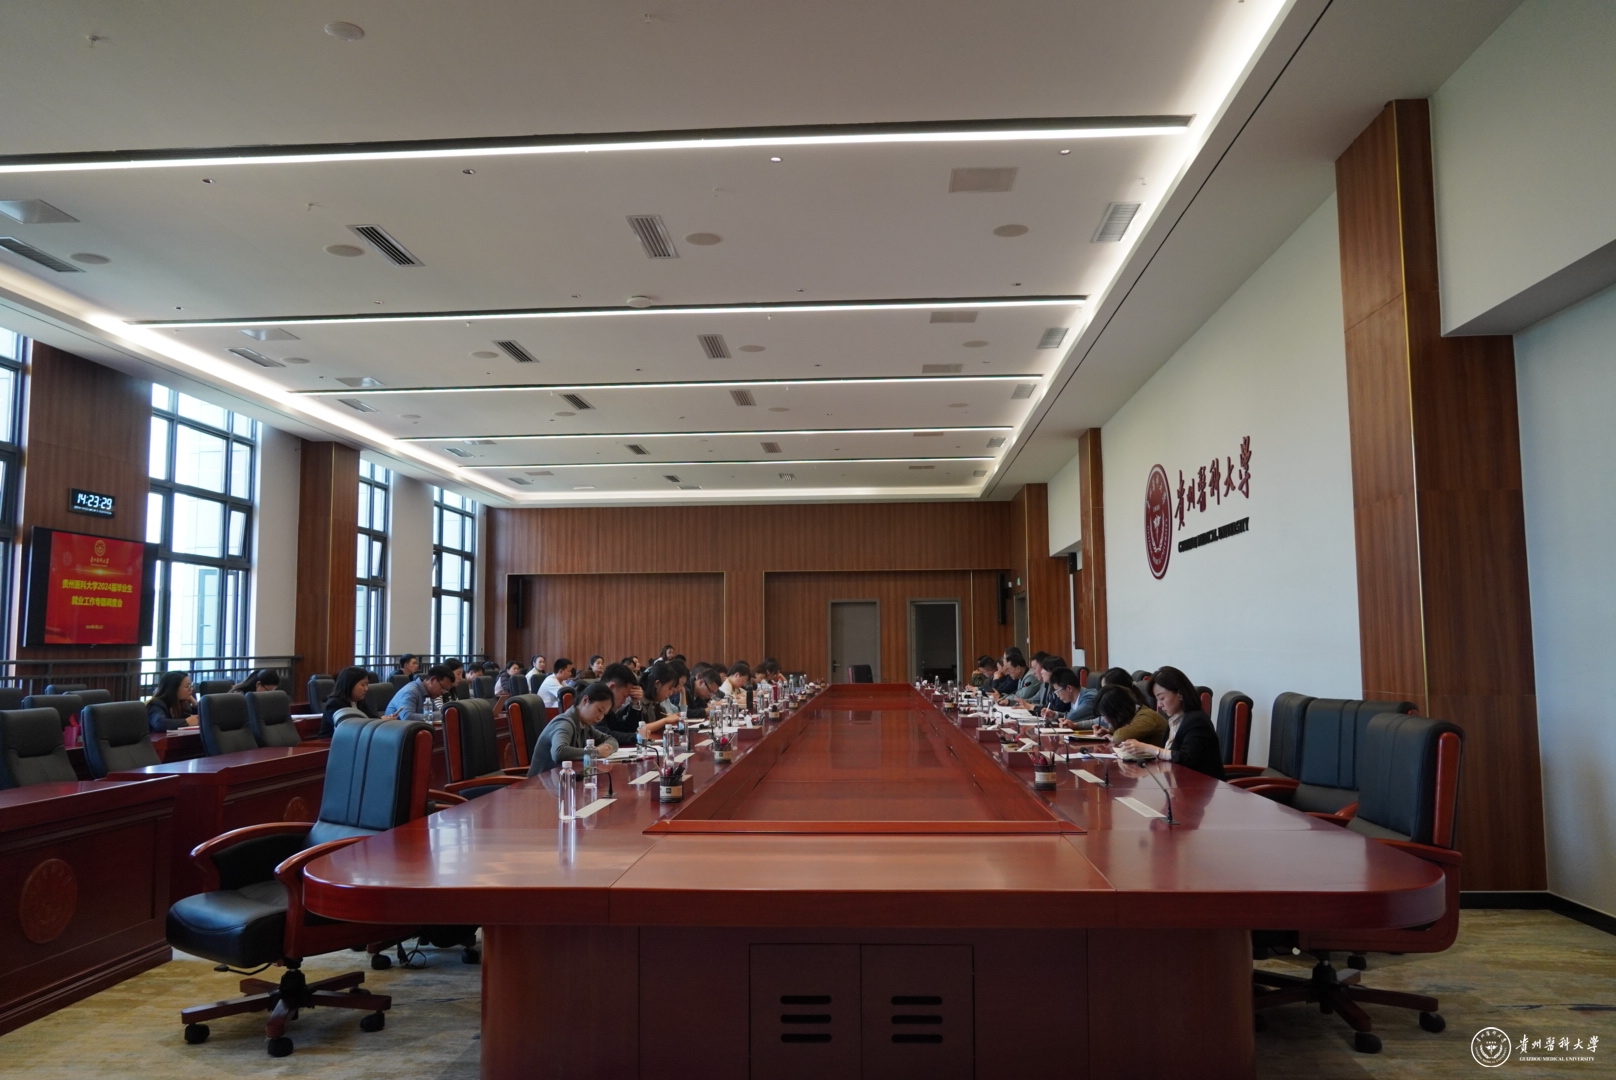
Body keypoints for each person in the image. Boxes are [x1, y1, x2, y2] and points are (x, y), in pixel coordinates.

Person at [1116, 665, 1225, 780]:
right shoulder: (1176, 720)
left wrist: (1148, 748)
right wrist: (1139, 752)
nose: (1159, 705)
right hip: (1178, 783)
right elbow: (1169, 755)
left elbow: (1186, 759)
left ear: (1180, 694)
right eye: (1157, 700)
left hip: (1199, 786)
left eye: (1162, 698)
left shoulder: (1197, 721)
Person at [526, 682, 620, 775]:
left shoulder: (586, 725)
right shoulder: (564, 723)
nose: (600, 717)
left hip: (564, 779)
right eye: (599, 710)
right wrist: (596, 752)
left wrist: (606, 749)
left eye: (604, 714)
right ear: (585, 700)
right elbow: (559, 752)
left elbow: (612, 740)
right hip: (540, 782)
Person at [1091, 685, 1169, 747]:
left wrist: (1113, 736)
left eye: (1106, 715)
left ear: (1118, 712)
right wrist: (1109, 732)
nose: (1105, 720)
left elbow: (1119, 737)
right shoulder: (1134, 714)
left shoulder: (1146, 716)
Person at [320, 665, 380, 738]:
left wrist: (382, 721)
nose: (366, 689)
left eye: (367, 685)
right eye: (363, 685)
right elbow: (348, 728)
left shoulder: (359, 702)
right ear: (349, 684)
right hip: (330, 742)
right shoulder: (334, 704)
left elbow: (371, 718)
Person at [384, 664, 454, 724]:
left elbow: (435, 712)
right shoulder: (410, 691)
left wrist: (439, 713)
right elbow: (407, 717)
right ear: (432, 680)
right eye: (443, 688)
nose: (443, 693)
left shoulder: (429, 693)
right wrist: (440, 714)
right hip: (394, 732)